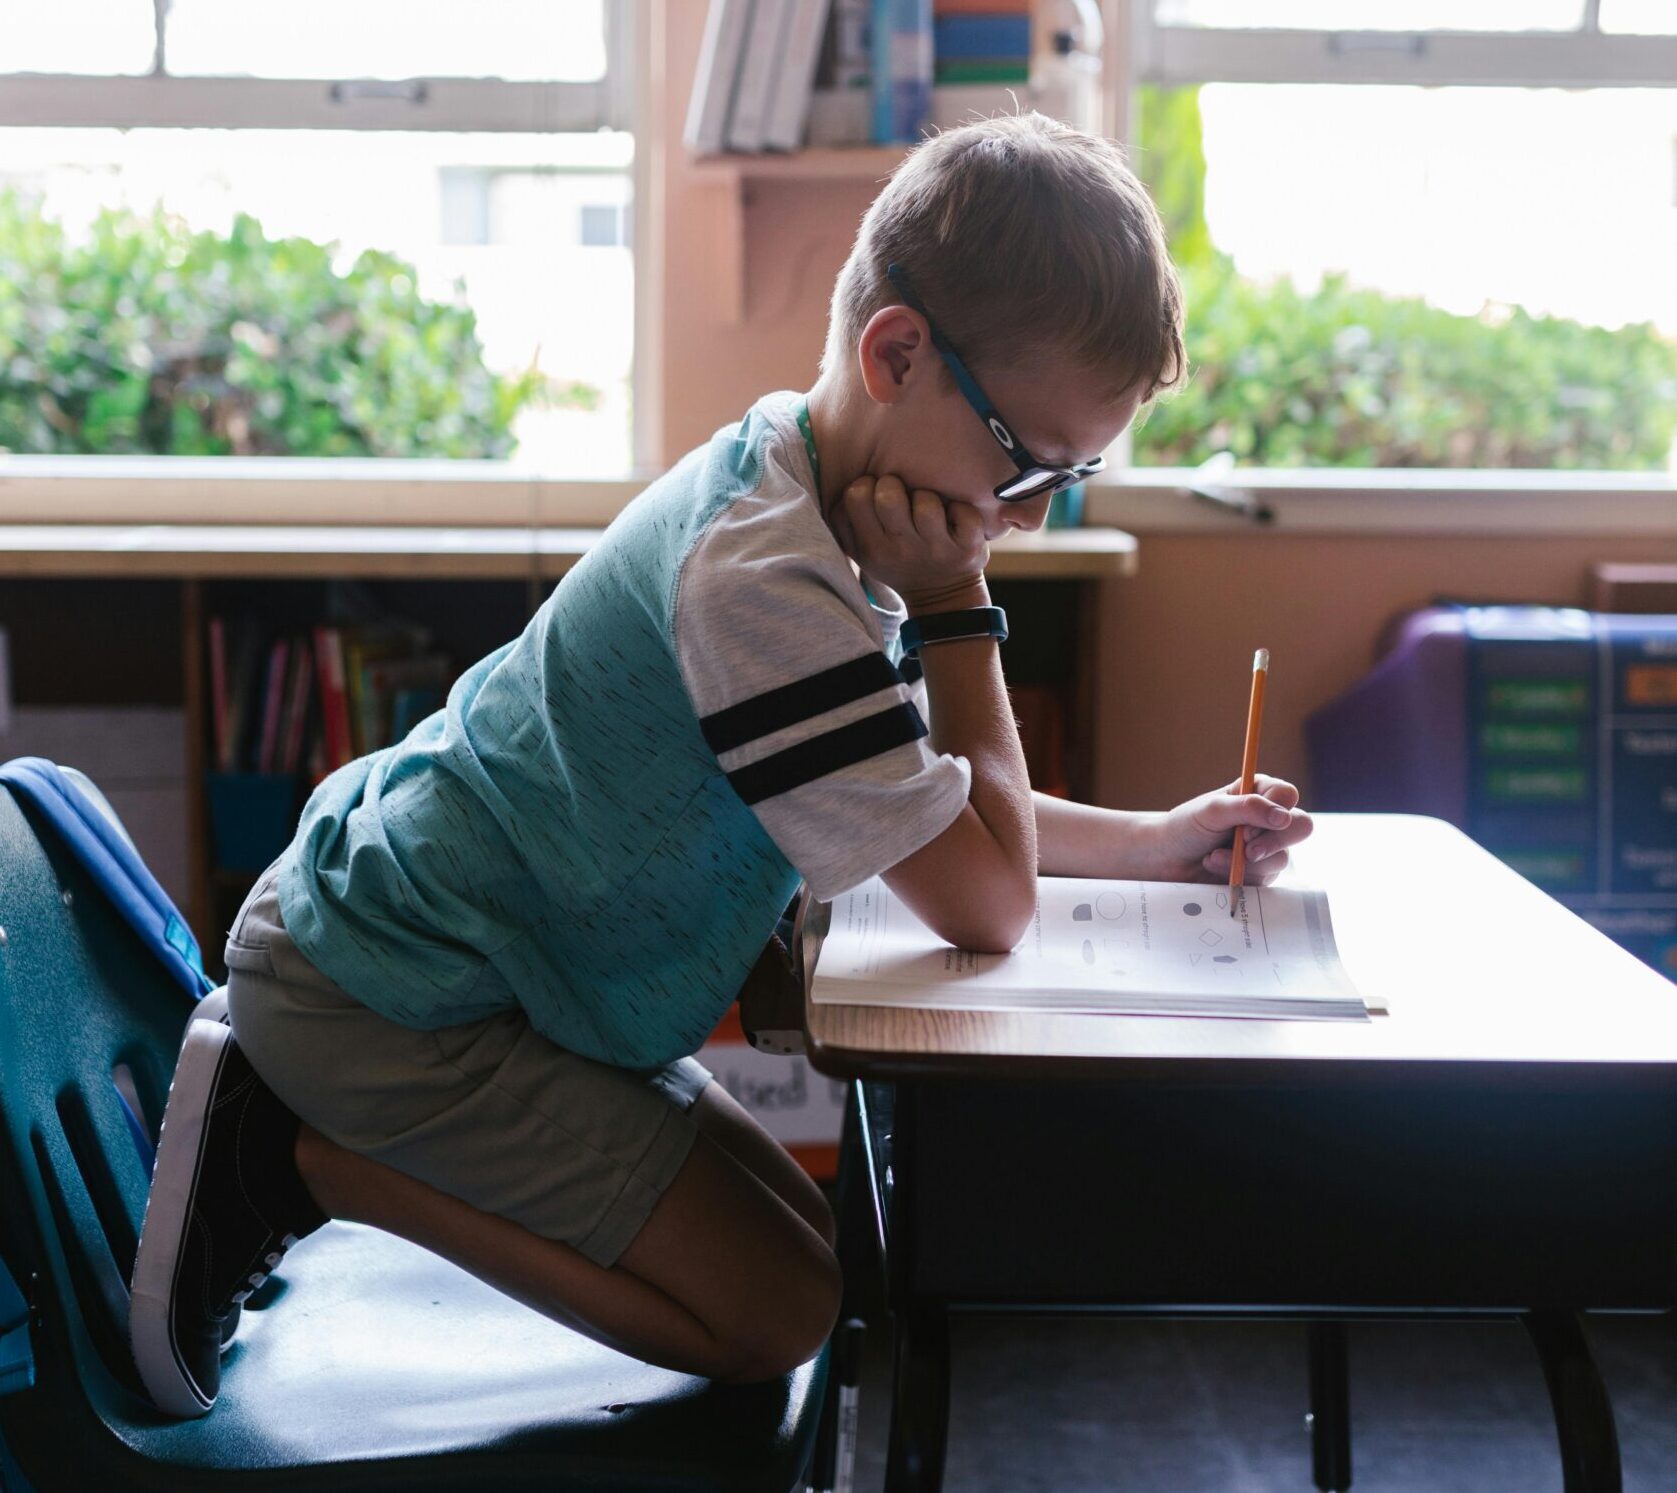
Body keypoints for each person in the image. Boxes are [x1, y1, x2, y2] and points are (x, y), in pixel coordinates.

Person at [128, 111, 1314, 1418]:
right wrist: (959, 610)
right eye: (1026, 460)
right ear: (897, 352)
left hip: (482, 976)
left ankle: (316, 1137)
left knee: (813, 1257)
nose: (1029, 511)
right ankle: (296, 1157)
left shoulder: (802, 483)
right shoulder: (766, 583)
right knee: (772, 1314)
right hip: (394, 1001)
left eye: (1070, 477)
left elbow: (928, 805)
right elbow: (988, 898)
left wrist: (1157, 837)